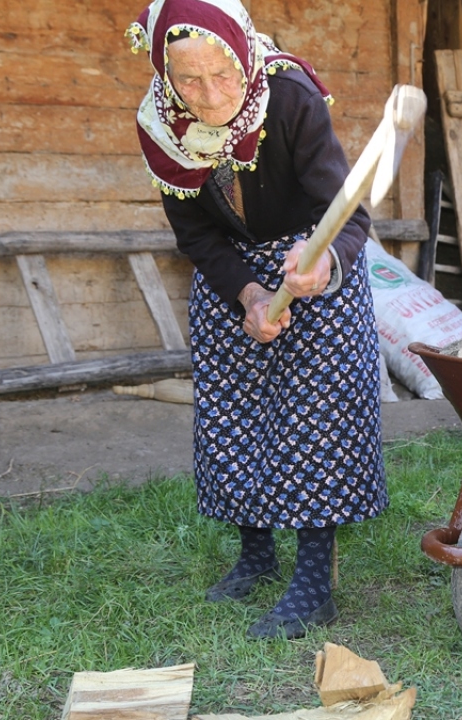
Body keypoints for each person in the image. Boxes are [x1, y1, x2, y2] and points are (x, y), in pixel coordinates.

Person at [126, 0, 387, 640]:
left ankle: (314, 583)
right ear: (163, 72)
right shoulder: (161, 125)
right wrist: (246, 295)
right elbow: (194, 233)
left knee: (316, 418)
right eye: (188, 79)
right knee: (233, 412)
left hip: (311, 260)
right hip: (232, 275)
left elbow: (348, 213)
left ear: (243, 57)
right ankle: (257, 554)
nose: (210, 94)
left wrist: (321, 263)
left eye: (222, 74)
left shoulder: (290, 96)